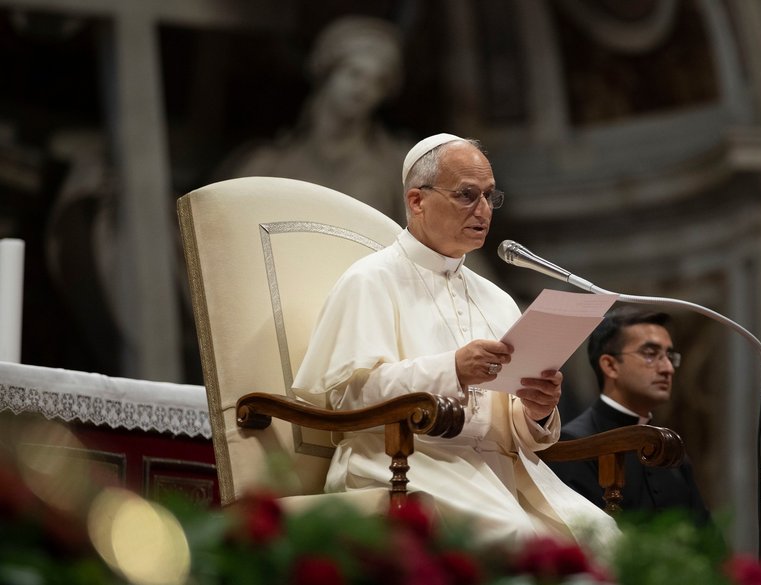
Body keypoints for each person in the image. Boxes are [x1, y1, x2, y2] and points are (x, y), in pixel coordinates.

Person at [292, 133, 618, 551]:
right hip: (405, 462)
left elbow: (508, 423)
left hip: (497, 472)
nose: (483, 210)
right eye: (467, 195)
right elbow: (346, 398)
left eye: (489, 196)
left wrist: (536, 412)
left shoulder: (495, 298)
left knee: (608, 542)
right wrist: (451, 370)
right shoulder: (369, 280)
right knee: (523, 544)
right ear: (417, 201)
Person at [219, 16, 409, 222]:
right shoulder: (265, 165)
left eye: (378, 82)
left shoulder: (397, 171)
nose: (363, 89)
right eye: (354, 74)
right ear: (328, 75)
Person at [547, 307, 712, 524]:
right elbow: (584, 534)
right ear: (610, 366)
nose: (668, 368)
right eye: (650, 354)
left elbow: (705, 533)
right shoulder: (575, 444)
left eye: (670, 356)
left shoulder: (672, 450)